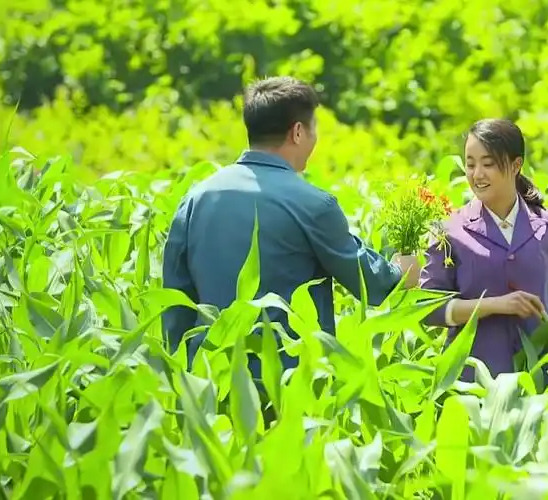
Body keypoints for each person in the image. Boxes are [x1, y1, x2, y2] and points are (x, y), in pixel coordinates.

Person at [161, 76, 421, 382]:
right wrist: (402, 269)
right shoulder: (313, 204)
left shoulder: (195, 199)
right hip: (287, 383)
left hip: (209, 380)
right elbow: (373, 285)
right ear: (298, 132)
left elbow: (175, 304)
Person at [418, 118, 548, 383]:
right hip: (470, 385)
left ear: (516, 165)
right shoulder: (449, 230)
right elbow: (428, 308)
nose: (477, 174)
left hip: (538, 383)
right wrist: (494, 305)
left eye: (488, 164)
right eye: (470, 164)